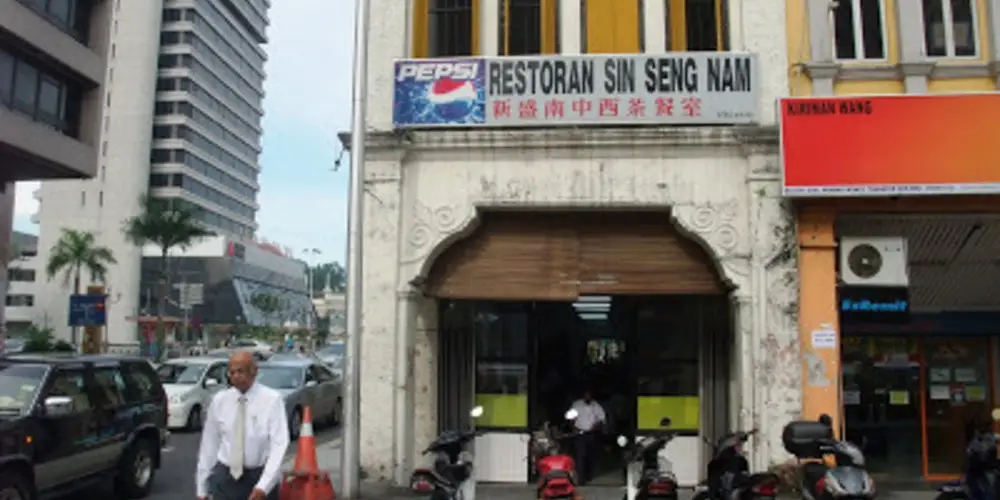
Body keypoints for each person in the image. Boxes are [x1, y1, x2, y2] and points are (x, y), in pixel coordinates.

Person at [196, 351, 290, 500]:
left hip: (257, 476)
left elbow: (279, 444)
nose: (235, 376)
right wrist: (202, 487)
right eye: (232, 372)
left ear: (254, 371)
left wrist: (264, 486)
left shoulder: (272, 400)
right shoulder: (220, 401)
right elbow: (209, 445)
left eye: (241, 371)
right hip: (225, 478)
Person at [570, 388, 606, 485]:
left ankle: (588, 476)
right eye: (586, 394)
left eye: (589, 395)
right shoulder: (577, 405)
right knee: (580, 455)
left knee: (590, 456)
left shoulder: (596, 406)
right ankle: (581, 478)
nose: (588, 396)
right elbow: (572, 418)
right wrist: (574, 428)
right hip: (580, 433)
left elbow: (601, 419)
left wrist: (596, 427)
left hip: (591, 434)